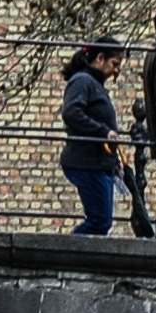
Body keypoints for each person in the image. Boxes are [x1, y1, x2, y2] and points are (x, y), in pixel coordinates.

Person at [59, 38, 126, 237]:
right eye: (115, 64)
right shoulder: (83, 82)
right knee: (100, 221)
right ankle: (66, 251)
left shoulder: (94, 84)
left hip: (99, 162)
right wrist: (103, 132)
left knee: (101, 221)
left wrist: (114, 160)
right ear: (100, 58)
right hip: (86, 161)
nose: (117, 71)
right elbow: (71, 113)